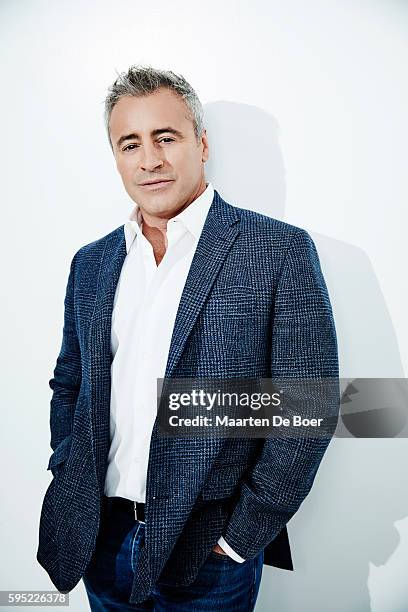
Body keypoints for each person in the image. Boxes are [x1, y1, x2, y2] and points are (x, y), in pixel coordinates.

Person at [36, 65, 339, 610]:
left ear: (201, 144)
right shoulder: (92, 262)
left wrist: (242, 535)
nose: (148, 159)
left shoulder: (277, 251)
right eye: (130, 143)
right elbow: (69, 384)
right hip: (98, 542)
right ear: (116, 157)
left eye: (165, 137)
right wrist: (67, 470)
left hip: (208, 553)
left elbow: (308, 407)